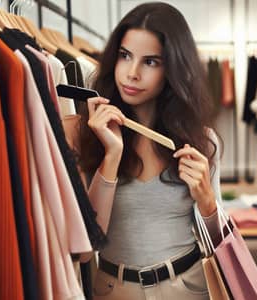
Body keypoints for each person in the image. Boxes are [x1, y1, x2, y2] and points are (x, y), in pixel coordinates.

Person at [77, 2, 223, 299]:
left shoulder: (202, 141)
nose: (132, 73)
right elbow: (83, 250)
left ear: (173, 68)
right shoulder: (89, 135)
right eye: (125, 56)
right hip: (113, 289)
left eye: (151, 62)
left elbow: (220, 241)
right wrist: (112, 156)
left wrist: (207, 202)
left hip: (188, 287)